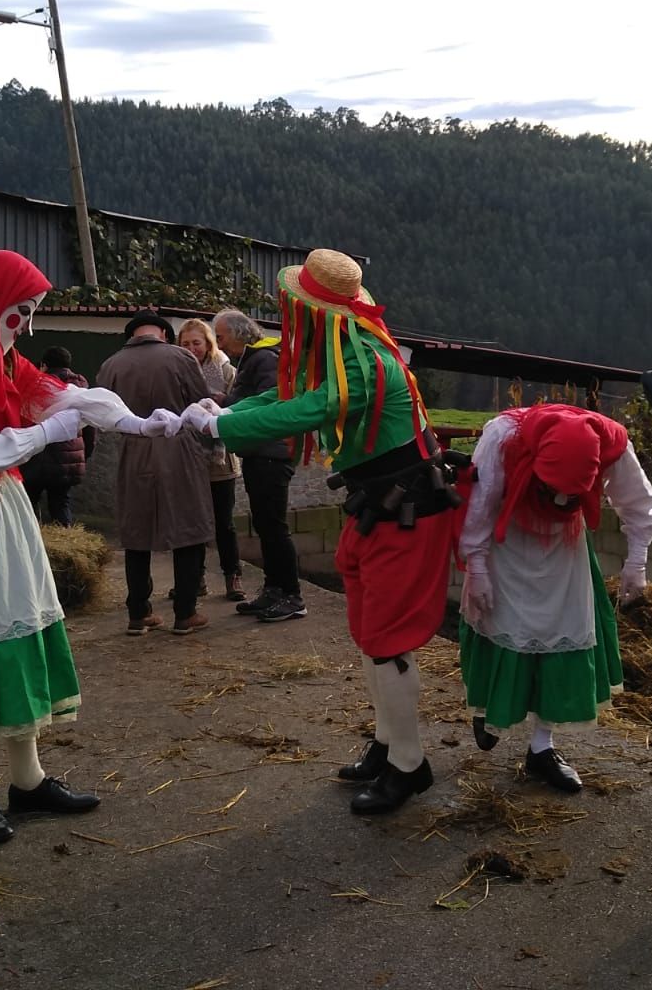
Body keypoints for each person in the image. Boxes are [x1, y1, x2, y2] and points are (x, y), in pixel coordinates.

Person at [0, 250, 176, 845]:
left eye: (30, 313)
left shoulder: (0, 358)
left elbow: (72, 399)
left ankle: (28, 779)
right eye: (20, 311)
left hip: (7, 505)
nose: (25, 325)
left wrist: (147, 424)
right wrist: (44, 434)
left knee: (20, 630)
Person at [183, 250, 465, 815]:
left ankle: (410, 765)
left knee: (388, 643)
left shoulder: (362, 363)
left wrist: (221, 424)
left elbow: (310, 408)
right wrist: (221, 408)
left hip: (407, 510)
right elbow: (289, 393)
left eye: (294, 306)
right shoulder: (341, 350)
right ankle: (388, 744)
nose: (288, 315)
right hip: (379, 505)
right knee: (370, 633)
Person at [458, 403, 652, 791]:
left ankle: (542, 747)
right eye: (550, 488)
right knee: (498, 620)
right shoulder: (503, 436)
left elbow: (638, 506)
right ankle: (489, 709)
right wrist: (478, 566)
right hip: (509, 538)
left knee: (561, 631)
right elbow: (480, 504)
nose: (557, 498)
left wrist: (636, 563)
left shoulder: (612, 444)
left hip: (565, 547)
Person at [95, 313, 216, 636]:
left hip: (134, 450)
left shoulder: (111, 364)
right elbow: (200, 403)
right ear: (164, 332)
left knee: (137, 533)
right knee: (188, 528)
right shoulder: (181, 357)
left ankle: (138, 613)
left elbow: (102, 414)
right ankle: (185, 612)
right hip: (179, 450)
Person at [212, 309, 300, 619]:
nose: (219, 345)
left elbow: (269, 403)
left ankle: (291, 595)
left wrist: (227, 408)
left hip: (271, 453)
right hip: (260, 452)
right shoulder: (255, 358)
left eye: (220, 337)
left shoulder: (264, 359)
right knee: (265, 525)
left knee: (274, 527)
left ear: (238, 334)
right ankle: (274, 589)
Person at [179, 318, 243, 600]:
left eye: (197, 342)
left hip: (220, 460)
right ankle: (195, 580)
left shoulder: (226, 370)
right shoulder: (175, 371)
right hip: (187, 456)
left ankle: (233, 578)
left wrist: (217, 403)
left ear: (208, 343)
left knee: (223, 523)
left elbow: (238, 404)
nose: (192, 348)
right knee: (191, 522)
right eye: (186, 343)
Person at [19, 346, 94, 527]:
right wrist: (85, 453)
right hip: (67, 459)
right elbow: (90, 427)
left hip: (36, 458)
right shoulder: (80, 389)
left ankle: (30, 545)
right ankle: (67, 545)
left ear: (44, 365)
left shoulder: (36, 386)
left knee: (28, 504)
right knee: (61, 503)